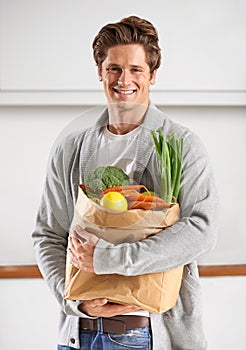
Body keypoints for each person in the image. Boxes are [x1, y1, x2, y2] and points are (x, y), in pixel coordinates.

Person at [32, 15, 219, 349]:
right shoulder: (70, 148)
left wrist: (106, 259)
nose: (124, 80)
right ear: (101, 73)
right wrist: (72, 299)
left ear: (153, 75)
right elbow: (48, 235)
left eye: (136, 69)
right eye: (114, 68)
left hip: (144, 333)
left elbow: (201, 231)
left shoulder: (181, 143)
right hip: (77, 333)